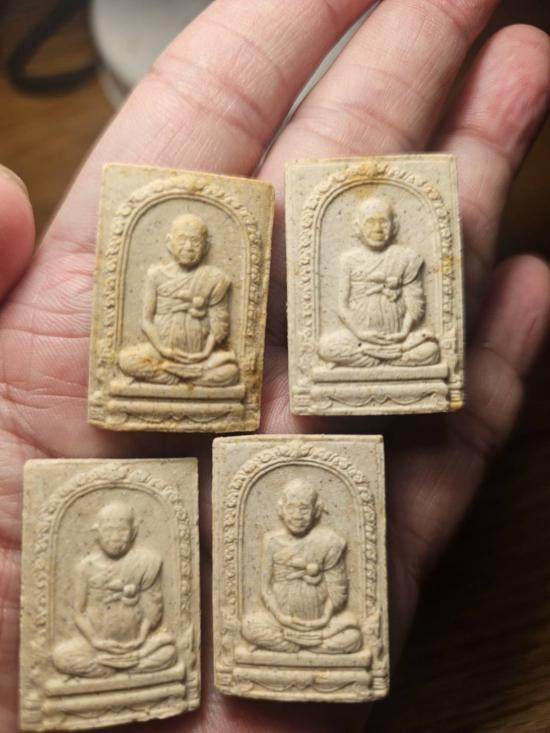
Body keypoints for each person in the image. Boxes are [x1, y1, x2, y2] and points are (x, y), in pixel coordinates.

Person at [0, 0, 547, 730]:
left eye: (381, 221)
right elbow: (164, 325)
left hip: (381, 349)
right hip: (175, 366)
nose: (189, 250)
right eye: (183, 242)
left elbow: (408, 311)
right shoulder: (169, 276)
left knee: (387, 352)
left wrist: (381, 330)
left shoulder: (330, 536)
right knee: (147, 360)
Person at [52, 502, 177, 678]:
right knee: (61, 657)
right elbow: (78, 613)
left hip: (137, 645)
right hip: (97, 647)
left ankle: (115, 667)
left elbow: (153, 608)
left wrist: (141, 639)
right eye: (108, 531)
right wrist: (96, 641)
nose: (115, 537)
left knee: (170, 653)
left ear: (133, 532)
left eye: (122, 531)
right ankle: (123, 668)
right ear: (98, 533)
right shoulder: (86, 568)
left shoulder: (147, 562)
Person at [119, 213, 240, 386]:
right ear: (170, 243)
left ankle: (175, 375)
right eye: (182, 240)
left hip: (200, 357)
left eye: (195, 242)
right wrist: (162, 349)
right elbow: (146, 321)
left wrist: (205, 353)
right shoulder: (156, 275)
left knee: (232, 373)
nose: (188, 247)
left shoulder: (215, 278)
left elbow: (219, 323)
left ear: (206, 247)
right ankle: (185, 377)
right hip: (161, 353)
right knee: (125, 360)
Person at [242, 479, 362, 654]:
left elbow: (338, 591)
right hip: (281, 622)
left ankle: (293, 645)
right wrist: (280, 617)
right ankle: (313, 646)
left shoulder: (330, 541)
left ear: (316, 510)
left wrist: (324, 618)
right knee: (248, 626)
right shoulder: (272, 542)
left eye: (304, 508)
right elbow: (265, 589)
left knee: (354, 637)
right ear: (281, 510)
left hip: (321, 624)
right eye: (291, 508)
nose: (297, 515)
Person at [319, 196, 440, 367]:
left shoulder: (407, 258)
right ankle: (392, 358)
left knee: (432, 351)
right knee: (325, 347)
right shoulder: (349, 260)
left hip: (397, 338)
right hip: (359, 337)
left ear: (394, 226)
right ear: (357, 227)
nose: (377, 229)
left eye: (383, 222)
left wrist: (404, 332)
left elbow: (415, 303)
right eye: (370, 223)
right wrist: (360, 333)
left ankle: (376, 357)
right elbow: (342, 307)